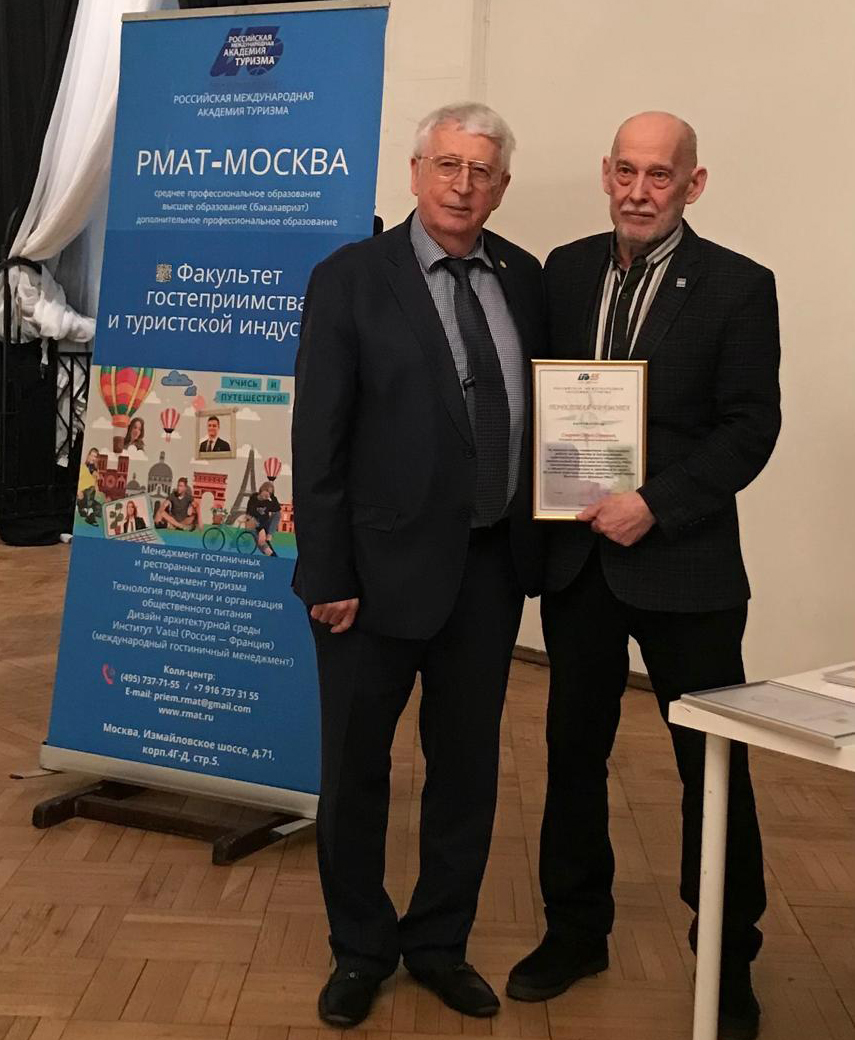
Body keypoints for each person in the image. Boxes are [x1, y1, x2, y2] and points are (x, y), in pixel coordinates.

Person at [506, 112, 781, 1040]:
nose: (637, 191)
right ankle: (574, 932)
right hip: (579, 560)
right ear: (605, 174)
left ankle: (727, 962)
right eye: (624, 171)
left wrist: (655, 503)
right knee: (570, 754)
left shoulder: (738, 286)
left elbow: (750, 427)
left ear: (691, 185)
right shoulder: (564, 270)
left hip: (685, 565)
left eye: (658, 175)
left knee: (711, 766)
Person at [292, 102, 544, 1028]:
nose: (462, 186)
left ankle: (439, 942)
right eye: (447, 165)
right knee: (354, 772)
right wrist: (327, 575)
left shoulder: (523, 277)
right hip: (370, 577)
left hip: (487, 570)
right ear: (414, 172)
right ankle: (360, 949)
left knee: (466, 771)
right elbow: (317, 437)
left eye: (481, 171)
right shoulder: (350, 278)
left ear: (501, 187)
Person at [245, 481, 280, 555]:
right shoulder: (253, 498)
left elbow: (277, 510)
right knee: (253, 528)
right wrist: (261, 529)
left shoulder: (269, 501)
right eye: (266, 491)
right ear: (262, 489)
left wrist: (272, 497)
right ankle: (269, 551)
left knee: (277, 514)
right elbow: (250, 514)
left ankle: (269, 536)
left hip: (264, 525)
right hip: (254, 523)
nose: (267, 494)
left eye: (270, 493)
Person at [76, 447, 103, 525]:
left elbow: (95, 486)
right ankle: (89, 514)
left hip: (89, 498)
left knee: (100, 510)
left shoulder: (95, 471)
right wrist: (78, 491)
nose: (93, 458)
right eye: (91, 455)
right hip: (81, 496)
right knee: (91, 489)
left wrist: (98, 493)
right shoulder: (82, 467)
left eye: (95, 456)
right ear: (88, 456)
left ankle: (83, 510)